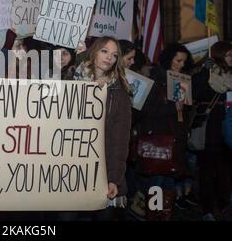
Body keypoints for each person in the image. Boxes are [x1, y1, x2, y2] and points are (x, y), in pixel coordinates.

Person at [73, 36, 132, 220]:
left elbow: (119, 141)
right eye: (105, 51)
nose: (109, 58)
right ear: (94, 52)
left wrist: (113, 178)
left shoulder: (119, 93)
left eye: (114, 55)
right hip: (70, 170)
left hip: (102, 172)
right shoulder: (70, 82)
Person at [139, 42, 194, 220]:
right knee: (157, 182)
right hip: (159, 140)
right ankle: (154, 215)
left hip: (176, 139)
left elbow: (183, 114)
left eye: (184, 62)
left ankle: (165, 215)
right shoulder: (156, 80)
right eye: (178, 61)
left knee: (169, 181)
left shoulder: (182, 79)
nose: (181, 65)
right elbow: (146, 110)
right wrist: (173, 108)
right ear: (168, 59)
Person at [192, 41, 232, 221]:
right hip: (210, 127)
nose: (231, 58)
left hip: (228, 127)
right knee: (207, 170)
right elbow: (194, 94)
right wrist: (203, 72)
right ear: (219, 55)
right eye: (229, 55)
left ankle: (224, 204)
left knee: (225, 169)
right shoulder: (208, 73)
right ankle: (207, 208)